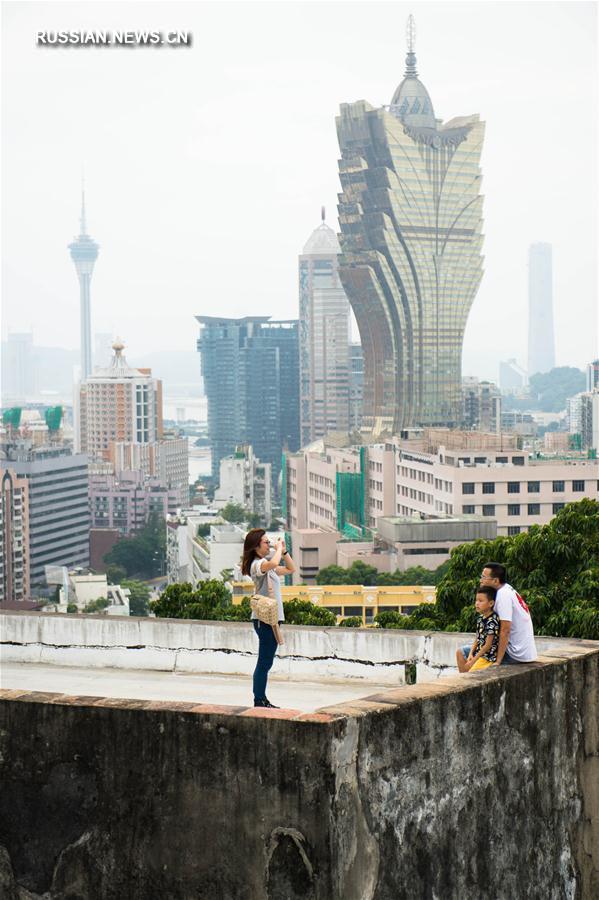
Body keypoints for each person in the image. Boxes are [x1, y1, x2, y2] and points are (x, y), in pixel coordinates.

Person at [241, 528, 295, 708]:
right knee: (264, 662)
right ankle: (259, 700)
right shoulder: (257, 564)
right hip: (263, 620)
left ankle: (261, 698)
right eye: (265, 542)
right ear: (256, 547)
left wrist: (284, 550)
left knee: (267, 661)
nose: (268, 545)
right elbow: (272, 563)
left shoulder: (267, 565)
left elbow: (290, 568)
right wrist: (278, 548)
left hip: (272, 619)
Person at [480, 562, 537, 665]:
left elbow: (505, 630)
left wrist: (498, 661)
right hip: (524, 652)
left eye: (484, 577)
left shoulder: (503, 595)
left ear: (495, 580)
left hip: (515, 653)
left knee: (462, 653)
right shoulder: (507, 589)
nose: (481, 580)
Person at [456, 586, 500, 672]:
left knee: (471, 674)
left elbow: (488, 645)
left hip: (487, 657)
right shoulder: (480, 618)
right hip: (479, 653)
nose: (477, 603)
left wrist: (474, 660)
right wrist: (470, 654)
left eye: (480, 601)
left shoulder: (492, 620)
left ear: (491, 603)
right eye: (476, 600)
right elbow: (477, 638)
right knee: (463, 663)